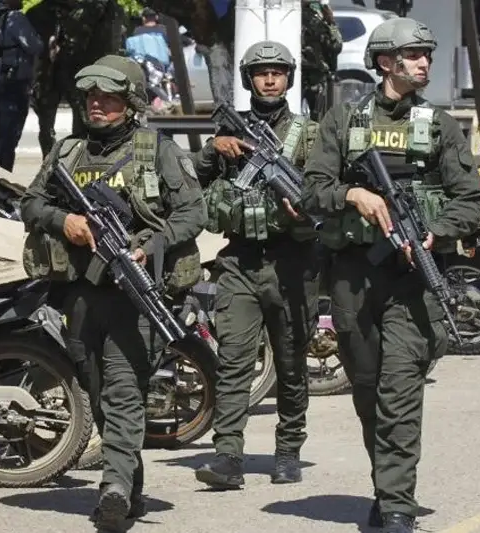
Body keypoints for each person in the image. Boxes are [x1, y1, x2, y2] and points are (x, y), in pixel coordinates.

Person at [300, 18, 480, 533]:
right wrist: (352, 193)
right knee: (367, 390)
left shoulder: (440, 125)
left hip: (411, 278)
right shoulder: (343, 120)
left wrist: (436, 231)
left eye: (428, 54)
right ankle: (386, 485)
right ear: (385, 62)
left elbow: (469, 199)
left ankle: (398, 503)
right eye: (414, 54)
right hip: (354, 278)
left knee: (400, 391)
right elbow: (311, 190)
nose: (425, 62)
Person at [19, 55, 205, 532]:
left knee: (124, 392)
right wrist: (65, 220)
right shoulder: (68, 152)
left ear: (132, 103)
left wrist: (149, 245)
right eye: (91, 97)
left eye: (109, 97)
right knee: (98, 392)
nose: (96, 105)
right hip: (80, 294)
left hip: (135, 295)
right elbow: (31, 203)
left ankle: (114, 491)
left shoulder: (156, 150)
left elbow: (193, 212)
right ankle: (129, 483)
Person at [192, 40, 320, 490]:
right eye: (261, 73)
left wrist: (305, 212)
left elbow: (326, 189)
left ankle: (288, 451)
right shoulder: (231, 131)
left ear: (288, 78)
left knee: (291, 362)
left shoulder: (309, 134)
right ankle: (227, 455)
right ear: (249, 80)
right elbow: (189, 180)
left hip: (293, 262)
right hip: (240, 260)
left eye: (277, 72)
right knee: (234, 361)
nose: (269, 80)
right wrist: (214, 149)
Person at [32, 0, 124, 158]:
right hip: (51, 75)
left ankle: (78, 156)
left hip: (72, 72)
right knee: (49, 124)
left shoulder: (89, 10)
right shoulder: (40, 13)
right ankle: (52, 160)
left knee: (81, 118)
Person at [0, 0, 43, 172]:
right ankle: (1, 178)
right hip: (12, 83)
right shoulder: (15, 18)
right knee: (9, 136)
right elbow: (36, 46)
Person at [302, 0, 343, 119]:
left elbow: (336, 45)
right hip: (303, 74)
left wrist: (330, 22)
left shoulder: (317, 13)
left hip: (317, 76)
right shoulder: (292, 14)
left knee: (321, 117)